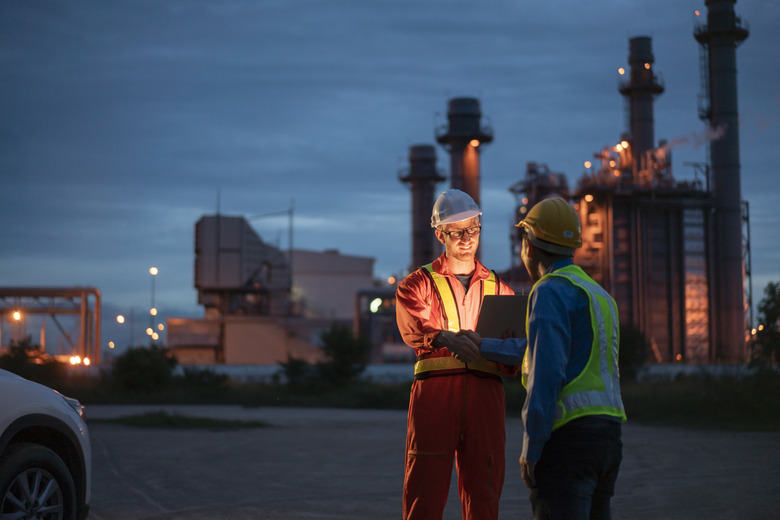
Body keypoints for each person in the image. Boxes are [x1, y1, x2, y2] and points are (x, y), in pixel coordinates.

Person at [461, 196, 627, 520]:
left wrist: (532, 447)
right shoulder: (598, 294)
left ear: (529, 245)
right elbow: (541, 349)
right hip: (609, 436)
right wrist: (482, 346)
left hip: (569, 440)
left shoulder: (549, 289)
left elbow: (546, 373)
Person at [395, 189, 516, 520]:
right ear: (440, 234)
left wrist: (517, 357)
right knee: (425, 489)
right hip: (436, 395)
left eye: (472, 229)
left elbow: (514, 354)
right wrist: (445, 337)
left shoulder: (501, 289)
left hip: (485, 396)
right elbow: (414, 326)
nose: (466, 239)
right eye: (457, 232)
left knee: (485, 490)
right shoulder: (415, 285)